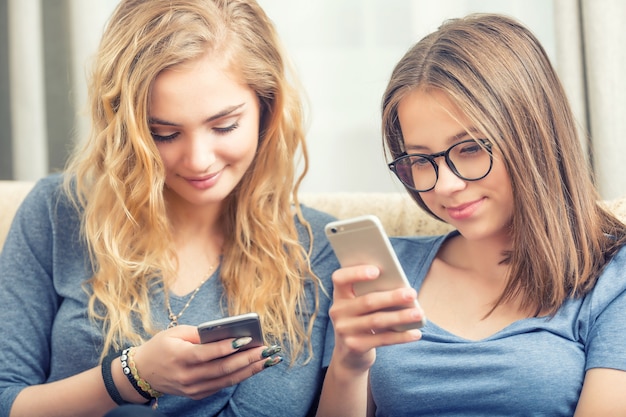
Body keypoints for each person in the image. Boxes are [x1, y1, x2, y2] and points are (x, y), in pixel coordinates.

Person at [0, 0, 339, 416]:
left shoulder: (311, 251)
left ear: (267, 108)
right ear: (126, 129)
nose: (198, 160)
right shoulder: (57, 211)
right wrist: (129, 377)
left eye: (224, 126)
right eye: (163, 133)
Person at [316, 13, 626, 417]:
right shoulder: (382, 273)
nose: (444, 185)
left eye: (470, 148)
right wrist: (348, 365)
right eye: (420, 159)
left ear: (533, 135)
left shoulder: (611, 278)